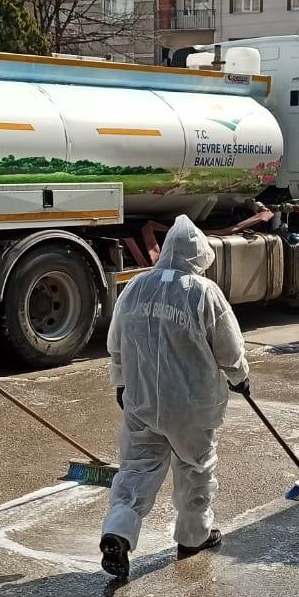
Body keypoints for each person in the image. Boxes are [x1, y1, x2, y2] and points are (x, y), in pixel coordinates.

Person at [100, 215, 249, 579]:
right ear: (197, 256)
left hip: (142, 400)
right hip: (191, 406)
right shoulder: (203, 292)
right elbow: (229, 348)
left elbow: (115, 344)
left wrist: (121, 382)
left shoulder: (135, 287)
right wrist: (240, 377)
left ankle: (118, 531)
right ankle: (193, 536)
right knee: (196, 469)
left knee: (136, 469)